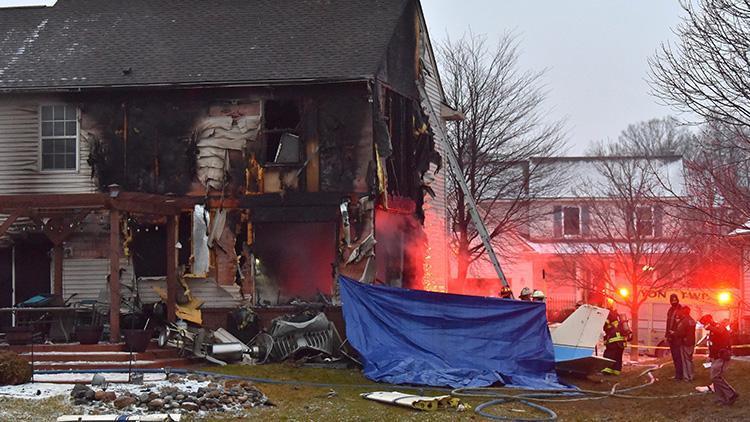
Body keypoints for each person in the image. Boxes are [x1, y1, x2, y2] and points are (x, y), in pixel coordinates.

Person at [699, 314, 738, 405]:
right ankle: (721, 398)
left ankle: (731, 394)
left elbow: (720, 331)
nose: (704, 326)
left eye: (705, 323)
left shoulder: (718, 326)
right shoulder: (712, 330)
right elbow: (713, 344)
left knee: (716, 377)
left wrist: (711, 327)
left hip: (722, 356)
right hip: (715, 357)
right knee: (715, 378)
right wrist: (710, 356)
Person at [601, 307, 627, 375]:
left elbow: (605, 323)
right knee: (618, 356)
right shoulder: (617, 315)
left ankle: (607, 370)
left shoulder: (608, 314)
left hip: (613, 339)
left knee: (609, 354)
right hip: (621, 340)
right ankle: (616, 371)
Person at [666, 293, 683, 380]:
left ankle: (680, 375)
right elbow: (668, 324)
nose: (674, 302)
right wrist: (667, 335)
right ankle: (677, 374)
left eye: (675, 300)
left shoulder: (680, 309)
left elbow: (681, 324)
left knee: (678, 356)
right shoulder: (670, 310)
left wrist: (676, 333)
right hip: (671, 337)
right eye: (672, 300)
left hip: (677, 337)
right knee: (674, 357)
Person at [676, 306, 696, 381]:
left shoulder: (684, 321)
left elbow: (680, 332)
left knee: (685, 360)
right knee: (690, 359)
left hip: (685, 342)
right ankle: (691, 375)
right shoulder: (692, 320)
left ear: (684, 312)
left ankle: (687, 377)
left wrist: (674, 333)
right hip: (692, 342)